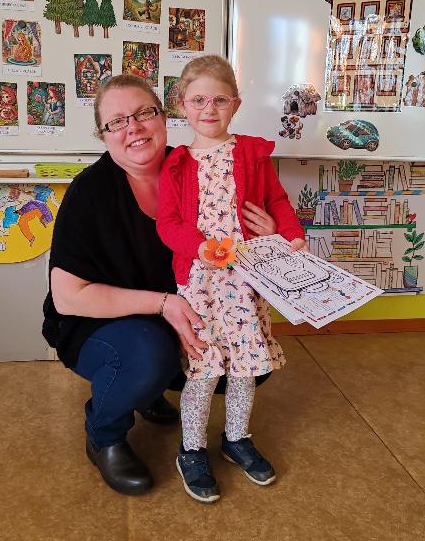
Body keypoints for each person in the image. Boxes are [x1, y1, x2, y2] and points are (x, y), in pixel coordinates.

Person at [42, 74, 280, 497]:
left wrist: (270, 231)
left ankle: (147, 391)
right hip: (98, 320)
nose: (133, 127)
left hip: (186, 308)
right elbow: (68, 297)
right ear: (104, 135)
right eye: (117, 122)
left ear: (165, 117)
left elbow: (240, 232)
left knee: (245, 357)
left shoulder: (195, 166)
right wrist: (163, 303)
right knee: (148, 354)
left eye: (144, 113)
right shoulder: (89, 194)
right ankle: (104, 432)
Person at [157, 55, 307, 503]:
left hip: (246, 282)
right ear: (182, 104)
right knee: (204, 369)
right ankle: (192, 448)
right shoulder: (176, 164)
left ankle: (237, 437)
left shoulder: (251, 154)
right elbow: (168, 223)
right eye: (199, 100)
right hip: (200, 284)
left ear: (236, 105)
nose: (209, 109)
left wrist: (291, 235)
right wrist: (199, 247)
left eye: (220, 100)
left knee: (244, 366)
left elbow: (276, 201)